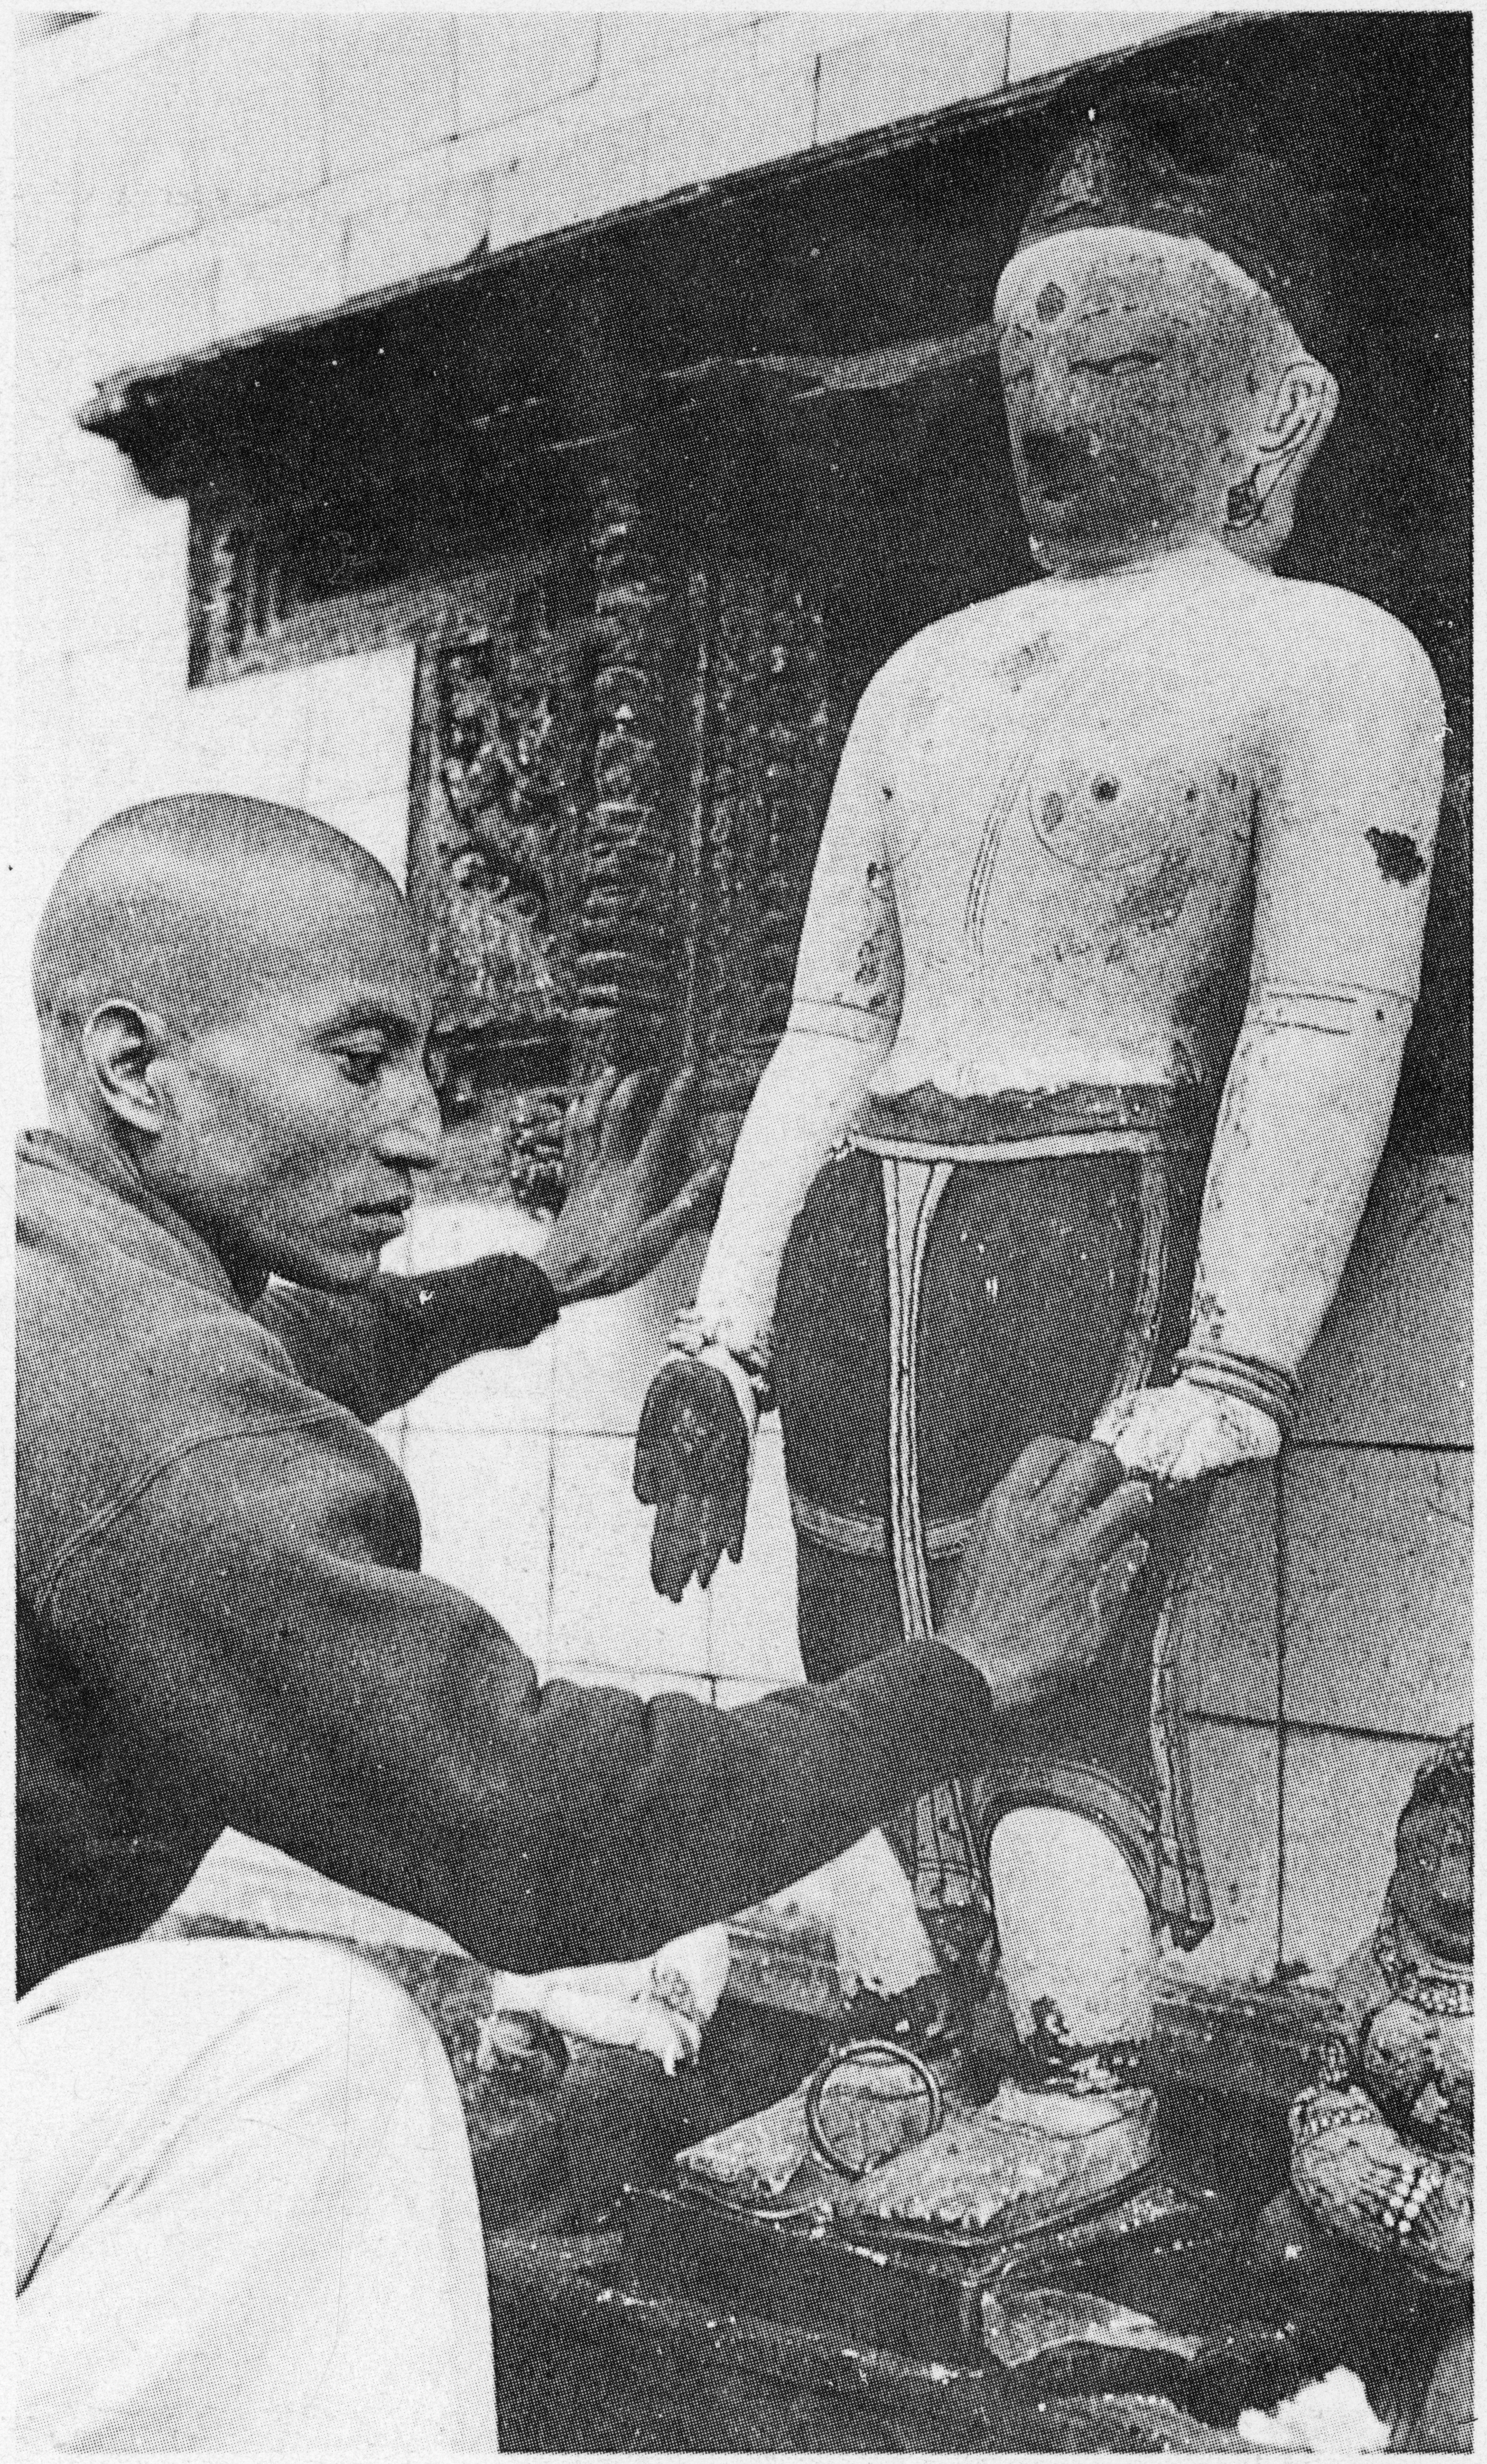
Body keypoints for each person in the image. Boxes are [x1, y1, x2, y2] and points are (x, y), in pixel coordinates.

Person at [17, 792, 1154, 2450]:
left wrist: (530, 1281)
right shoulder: (157, 1415)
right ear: (135, 1067)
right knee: (318, 2046)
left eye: (428, 1069)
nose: (416, 1130)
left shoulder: (62, 1268)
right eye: (359, 1060)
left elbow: (287, 1372)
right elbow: (545, 1834)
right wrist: (964, 1673)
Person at [634, 84, 1444, 2228]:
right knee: (855, 1645)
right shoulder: (921, 680)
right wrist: (717, 1331)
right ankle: (893, 2044)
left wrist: (1238, 1353)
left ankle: (1082, 2075)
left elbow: (1322, 1021)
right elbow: (828, 1023)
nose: (1053, 406)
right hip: (863, 1214)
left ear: (1278, 405)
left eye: (1114, 362)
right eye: (1023, 367)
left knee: (1059, 1654)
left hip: (1087, 1208)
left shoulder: (1324, 659)